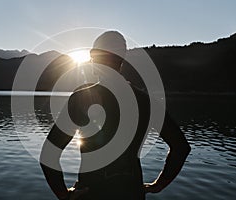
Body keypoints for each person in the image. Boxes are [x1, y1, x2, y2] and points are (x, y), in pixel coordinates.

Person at [40, 31, 191, 200]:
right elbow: (181, 147)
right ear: (122, 58)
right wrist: (158, 185)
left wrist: (63, 194)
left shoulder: (81, 99)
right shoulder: (145, 102)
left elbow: (49, 154)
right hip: (131, 193)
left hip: (91, 194)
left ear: (92, 56)